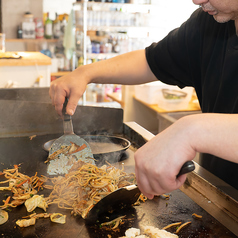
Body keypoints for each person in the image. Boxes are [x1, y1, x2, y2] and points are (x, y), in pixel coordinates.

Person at [50, 0, 238, 199]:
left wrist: (191, 131)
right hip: (221, 197)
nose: (196, 0)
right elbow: (152, 61)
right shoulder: (209, 23)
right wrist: (85, 73)